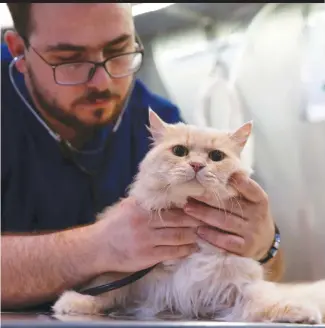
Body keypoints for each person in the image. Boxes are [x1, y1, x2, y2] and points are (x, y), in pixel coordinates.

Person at [1, 3, 284, 311]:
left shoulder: (158, 119)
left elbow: (269, 270)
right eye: (68, 59)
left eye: (119, 49)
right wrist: (95, 246)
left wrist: (266, 244)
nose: (102, 82)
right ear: (19, 51)